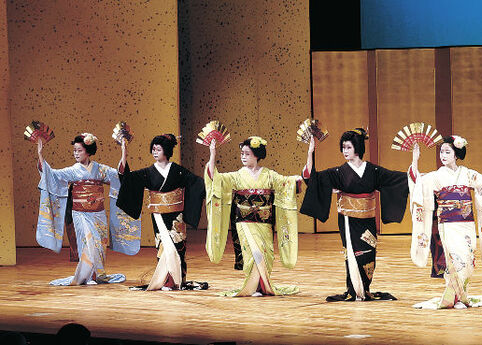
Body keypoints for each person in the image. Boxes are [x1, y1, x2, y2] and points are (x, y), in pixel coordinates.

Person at [301, 128, 409, 302]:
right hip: (348, 220)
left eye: (348, 147)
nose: (345, 151)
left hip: (368, 220)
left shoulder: (373, 170)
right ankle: (353, 289)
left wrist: (416, 173)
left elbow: (396, 179)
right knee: (353, 253)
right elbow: (313, 179)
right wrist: (310, 152)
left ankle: (365, 289)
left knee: (369, 254)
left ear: (357, 148)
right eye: (343, 147)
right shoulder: (338, 173)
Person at [408, 136, 482, 309]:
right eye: (441, 152)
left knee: (467, 257)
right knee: (454, 259)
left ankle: (460, 295)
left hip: (466, 223)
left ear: (456, 154)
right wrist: (415, 159)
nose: (443, 155)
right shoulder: (436, 176)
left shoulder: (467, 173)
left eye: (447, 152)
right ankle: (456, 298)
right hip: (447, 223)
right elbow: (418, 181)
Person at [35, 133, 141, 285]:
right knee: (87, 243)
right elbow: (52, 175)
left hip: (98, 214)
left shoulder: (100, 169)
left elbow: (119, 176)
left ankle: (96, 274)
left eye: (79, 150)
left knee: (99, 244)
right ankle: (86, 275)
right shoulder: (73, 170)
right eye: (75, 150)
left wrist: (124, 152)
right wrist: (40, 154)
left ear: (88, 151)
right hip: (80, 213)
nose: (76, 153)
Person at [204, 137, 301, 297]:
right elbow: (215, 179)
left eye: (247, 154)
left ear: (256, 155)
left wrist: (295, 180)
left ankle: (263, 286)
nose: (243, 156)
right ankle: (253, 287)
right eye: (242, 153)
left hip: (264, 222)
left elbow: (285, 183)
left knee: (265, 253)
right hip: (244, 222)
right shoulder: (236, 176)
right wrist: (212, 154)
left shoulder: (269, 175)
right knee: (251, 253)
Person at [117, 134, 207, 290]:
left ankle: (177, 280)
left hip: (176, 214)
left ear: (166, 151)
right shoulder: (148, 172)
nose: (155, 152)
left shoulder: (177, 170)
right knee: (163, 247)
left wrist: (211, 180)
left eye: (158, 149)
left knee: (177, 246)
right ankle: (165, 280)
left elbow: (197, 183)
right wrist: (124, 154)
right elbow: (128, 179)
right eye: (153, 149)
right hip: (158, 215)